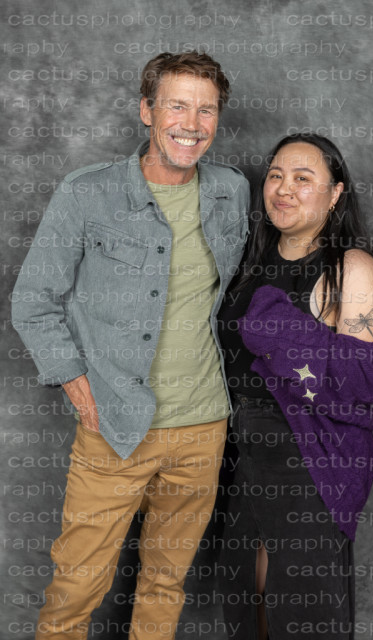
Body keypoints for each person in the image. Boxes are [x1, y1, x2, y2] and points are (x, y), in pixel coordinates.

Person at [11, 50, 250, 639]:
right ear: (146, 110)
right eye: (176, 105)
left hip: (203, 429)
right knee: (76, 587)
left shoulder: (232, 191)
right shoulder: (87, 193)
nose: (191, 124)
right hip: (113, 425)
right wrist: (80, 389)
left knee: (166, 584)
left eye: (206, 109)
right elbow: (33, 300)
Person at [216, 132, 373, 640]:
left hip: (311, 455)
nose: (284, 188)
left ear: (335, 194)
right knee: (246, 595)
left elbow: (360, 383)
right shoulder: (249, 262)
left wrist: (277, 328)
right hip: (242, 453)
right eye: (275, 176)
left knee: (301, 603)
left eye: (302, 178)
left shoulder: (351, 268)